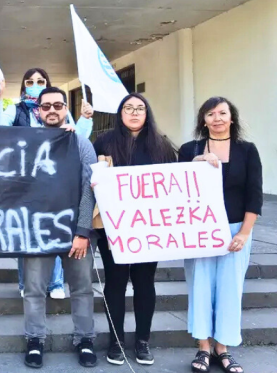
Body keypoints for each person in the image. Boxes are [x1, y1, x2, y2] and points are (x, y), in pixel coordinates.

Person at [92, 93, 177, 366]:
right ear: (120, 113)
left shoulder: (162, 146)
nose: (134, 112)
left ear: (147, 113)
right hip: (113, 227)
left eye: (140, 108)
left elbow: (177, 180)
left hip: (148, 227)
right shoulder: (104, 141)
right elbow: (88, 173)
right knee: (115, 283)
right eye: (128, 108)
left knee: (144, 283)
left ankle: (143, 341)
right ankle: (116, 340)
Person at [0, 68, 93, 299]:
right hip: (26, 183)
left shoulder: (60, 112)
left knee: (55, 230)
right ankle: (25, 283)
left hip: (58, 184)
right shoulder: (15, 110)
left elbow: (78, 142)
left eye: (40, 81)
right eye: (29, 81)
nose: (34, 84)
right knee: (26, 236)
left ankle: (56, 284)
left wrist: (83, 121)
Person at [179, 97, 261, 373]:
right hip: (199, 230)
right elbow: (177, 187)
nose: (217, 118)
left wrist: (244, 233)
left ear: (232, 118)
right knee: (200, 287)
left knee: (229, 290)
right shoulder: (189, 149)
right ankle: (203, 348)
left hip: (235, 230)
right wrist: (197, 163)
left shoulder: (247, 151)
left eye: (222, 113)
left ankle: (222, 349)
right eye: (210, 114)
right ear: (203, 120)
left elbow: (254, 196)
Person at [22, 87, 97, 369]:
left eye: (57, 105)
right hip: (37, 234)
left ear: (65, 108)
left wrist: (82, 231)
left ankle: (85, 340)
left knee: (81, 289)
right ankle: (34, 341)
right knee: (33, 290)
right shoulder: (26, 143)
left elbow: (89, 189)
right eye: (46, 106)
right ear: (37, 111)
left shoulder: (80, 143)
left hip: (74, 233)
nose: (52, 110)